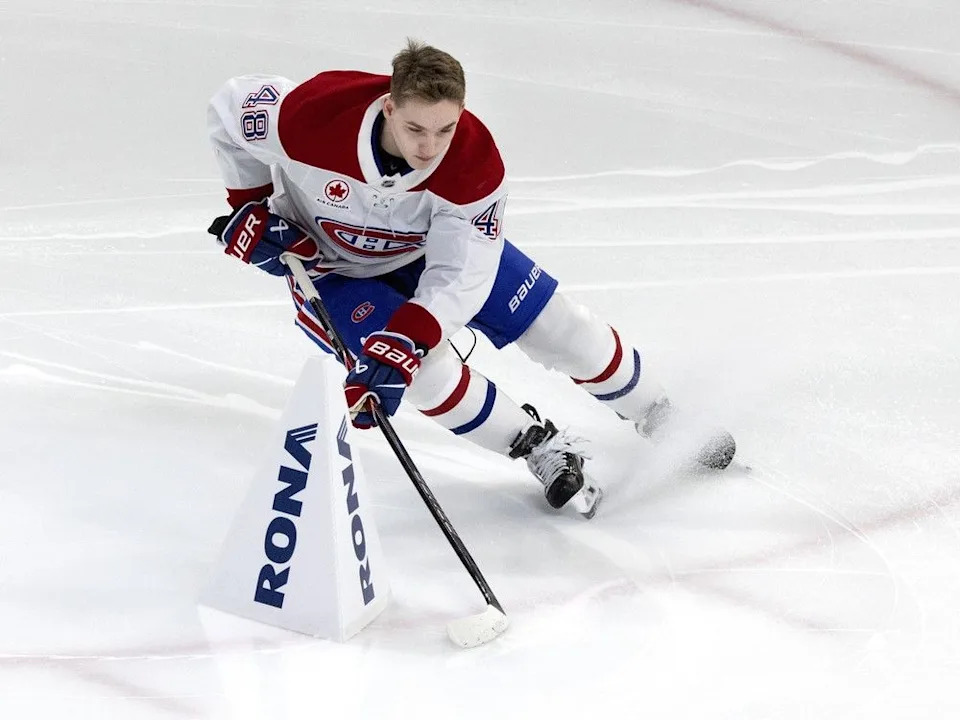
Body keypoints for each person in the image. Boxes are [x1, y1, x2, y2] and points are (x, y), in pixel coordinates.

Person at [206, 39, 735, 516]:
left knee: (556, 325)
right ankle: (539, 447)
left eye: (445, 128)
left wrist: (409, 338)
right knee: (419, 375)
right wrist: (249, 204)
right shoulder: (312, 114)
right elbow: (230, 108)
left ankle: (658, 413)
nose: (429, 146)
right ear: (389, 107)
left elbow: (462, 273)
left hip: (425, 252)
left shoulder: (473, 163)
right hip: (331, 271)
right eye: (414, 128)